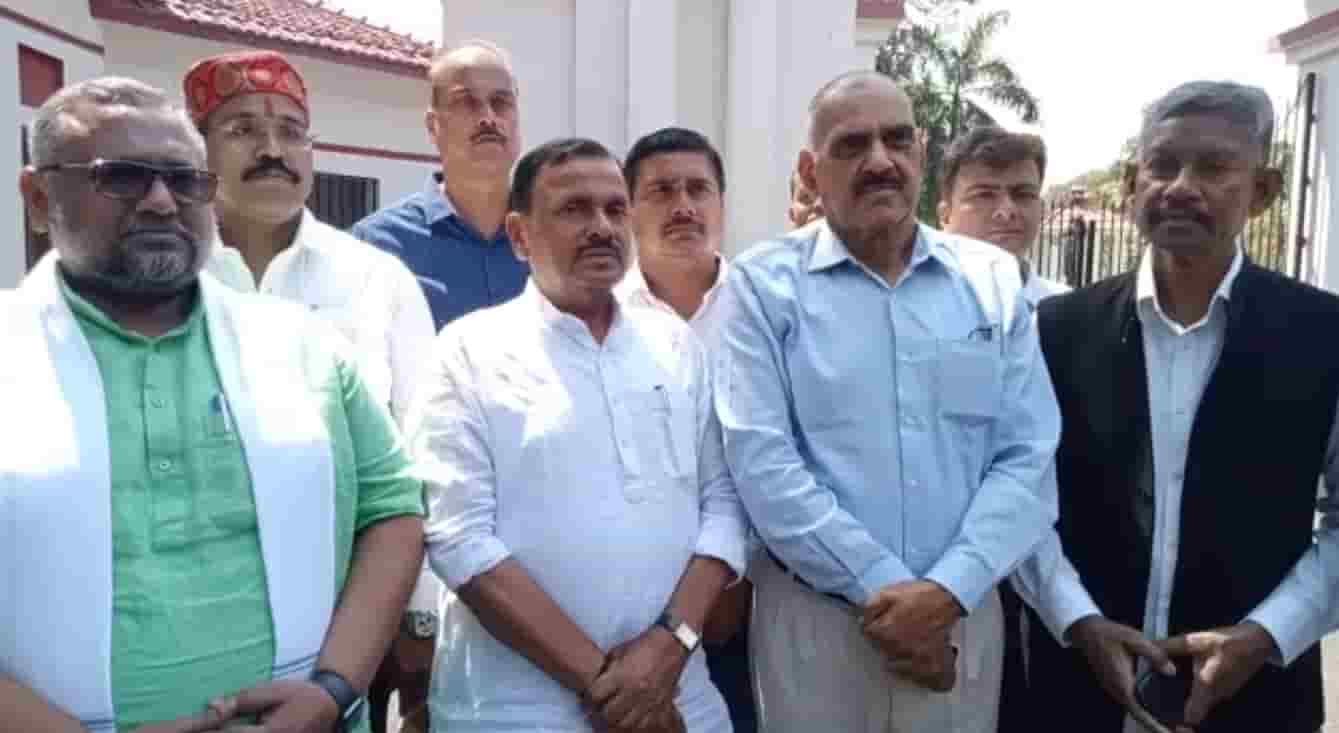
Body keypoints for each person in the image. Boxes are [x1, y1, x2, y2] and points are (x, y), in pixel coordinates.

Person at [2, 77, 424, 733]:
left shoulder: (300, 345)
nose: (161, 201)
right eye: (123, 178)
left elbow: (393, 511)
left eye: (185, 179)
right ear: (37, 198)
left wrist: (332, 689)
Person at [715, 70, 1060, 733]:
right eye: (852, 145)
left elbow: (1027, 457)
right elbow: (763, 464)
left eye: (897, 140)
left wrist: (947, 591)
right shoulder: (762, 288)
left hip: (959, 627)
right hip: (820, 636)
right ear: (810, 172)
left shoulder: (990, 281)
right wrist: (891, 595)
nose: (880, 160)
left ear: (921, 155)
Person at [1014, 80, 1339, 733]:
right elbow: (1018, 495)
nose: (1181, 187)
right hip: (1072, 692)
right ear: (1131, 183)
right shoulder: (1055, 329)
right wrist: (1077, 619)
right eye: (1161, 165)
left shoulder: (1322, 334)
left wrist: (1266, 633)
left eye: (1213, 167)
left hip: (1255, 700)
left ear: (1263, 190)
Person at [409, 137, 749, 733]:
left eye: (615, 209)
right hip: (518, 714)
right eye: (574, 209)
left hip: (681, 699)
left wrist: (669, 647)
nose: (602, 227)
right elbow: (460, 540)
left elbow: (723, 505)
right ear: (519, 235)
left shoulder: (675, 345)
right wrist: (611, 688)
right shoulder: (467, 352)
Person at [182, 50, 438, 731]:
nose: (272, 150)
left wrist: (420, 610)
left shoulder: (375, 280)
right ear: (197, 149)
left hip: (360, 616)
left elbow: (423, 448)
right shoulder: (168, 278)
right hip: (197, 614)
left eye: (291, 131)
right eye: (242, 129)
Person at [618, 126, 756, 732]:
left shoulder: (765, 308)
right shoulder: (597, 315)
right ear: (629, 209)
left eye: (698, 190)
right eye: (661, 191)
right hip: (634, 615)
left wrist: (737, 582)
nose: (683, 207)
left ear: (721, 204)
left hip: (750, 609)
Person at [351, 40, 528, 331]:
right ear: (433, 126)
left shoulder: (553, 240)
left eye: (501, 102)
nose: (488, 117)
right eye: (467, 102)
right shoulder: (376, 246)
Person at [938, 125, 1069, 310]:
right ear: (945, 216)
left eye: (1023, 194)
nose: (1007, 211)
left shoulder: (1074, 312)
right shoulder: (908, 308)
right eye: (984, 195)